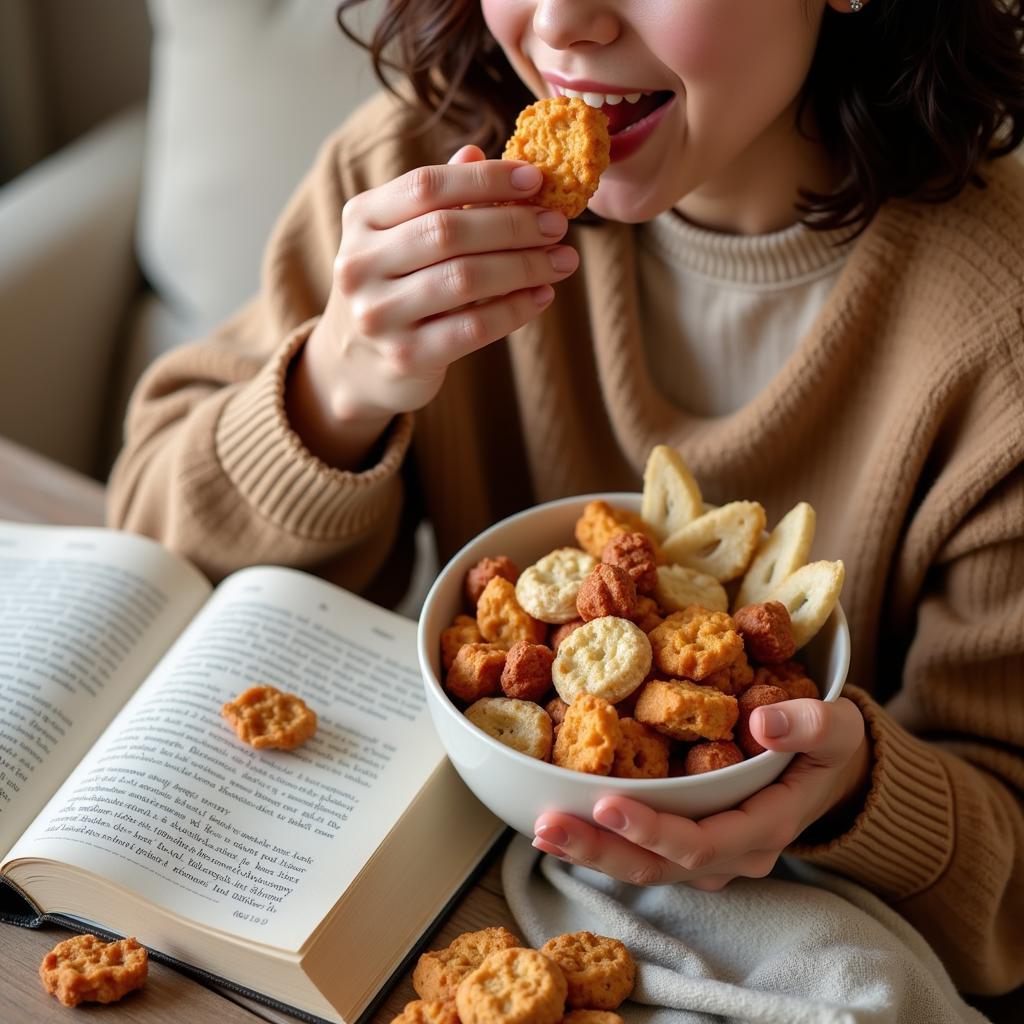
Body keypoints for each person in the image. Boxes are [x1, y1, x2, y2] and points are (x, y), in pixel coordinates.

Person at [107, 0, 1024, 996]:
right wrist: (336, 387)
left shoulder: (998, 337)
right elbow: (151, 554)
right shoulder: (418, 176)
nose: (561, 21)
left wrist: (852, 792)